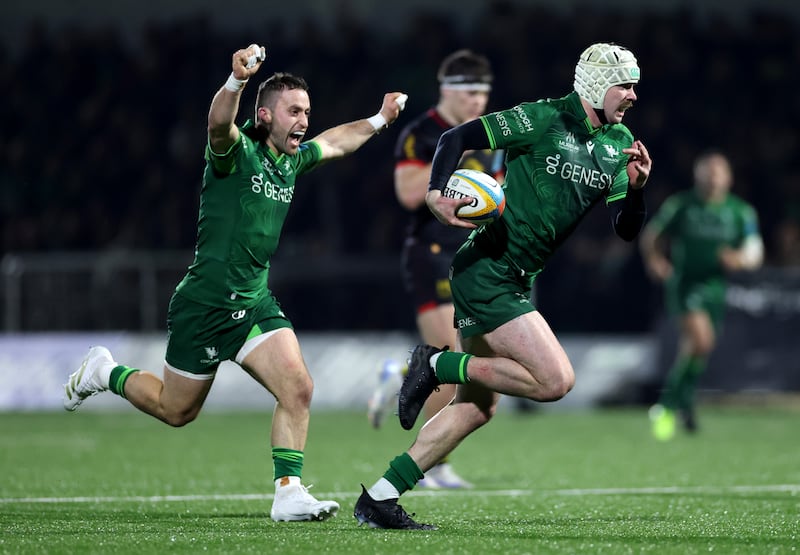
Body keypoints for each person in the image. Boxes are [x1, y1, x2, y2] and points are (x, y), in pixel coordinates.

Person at [62, 43, 407, 523]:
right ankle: (104, 372)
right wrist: (236, 81)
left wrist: (379, 117)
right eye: (294, 111)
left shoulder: (292, 161)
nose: (304, 120)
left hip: (253, 302)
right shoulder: (233, 153)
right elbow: (218, 124)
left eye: (307, 110)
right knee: (176, 411)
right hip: (203, 306)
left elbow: (337, 141)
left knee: (298, 388)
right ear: (266, 115)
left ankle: (287, 493)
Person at [353, 42, 652, 530]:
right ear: (597, 84)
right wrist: (434, 194)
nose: (634, 95)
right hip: (488, 271)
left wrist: (636, 191)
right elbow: (456, 137)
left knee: (474, 409)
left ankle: (380, 499)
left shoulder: (620, 144)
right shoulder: (541, 118)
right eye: (626, 84)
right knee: (556, 381)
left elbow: (625, 227)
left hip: (510, 276)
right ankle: (434, 362)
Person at [366, 49, 503, 490]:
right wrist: (460, 171)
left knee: (473, 361)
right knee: (446, 355)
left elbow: (497, 194)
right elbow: (409, 193)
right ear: (446, 90)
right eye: (468, 93)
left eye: (483, 94)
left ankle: (401, 375)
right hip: (430, 253)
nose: (477, 103)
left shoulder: (488, 136)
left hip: (474, 259)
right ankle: (435, 467)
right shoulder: (422, 133)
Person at [640, 151, 763, 441]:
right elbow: (653, 236)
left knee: (697, 350)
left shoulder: (741, 211)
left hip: (716, 287)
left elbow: (754, 251)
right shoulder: (682, 206)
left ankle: (682, 403)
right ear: (698, 176)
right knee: (701, 341)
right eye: (708, 172)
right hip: (685, 285)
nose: (713, 178)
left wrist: (740, 259)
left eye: (719, 172)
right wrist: (655, 261)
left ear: (729, 178)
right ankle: (667, 405)